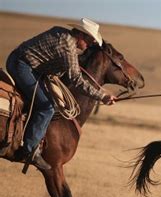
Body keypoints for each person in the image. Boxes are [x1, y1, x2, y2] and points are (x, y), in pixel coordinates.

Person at [6, 18, 117, 171]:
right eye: (90, 39)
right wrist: (102, 96)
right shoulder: (68, 46)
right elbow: (76, 80)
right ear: (80, 34)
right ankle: (30, 150)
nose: (91, 43)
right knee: (47, 107)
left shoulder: (62, 33)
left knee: (49, 101)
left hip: (29, 65)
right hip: (22, 65)